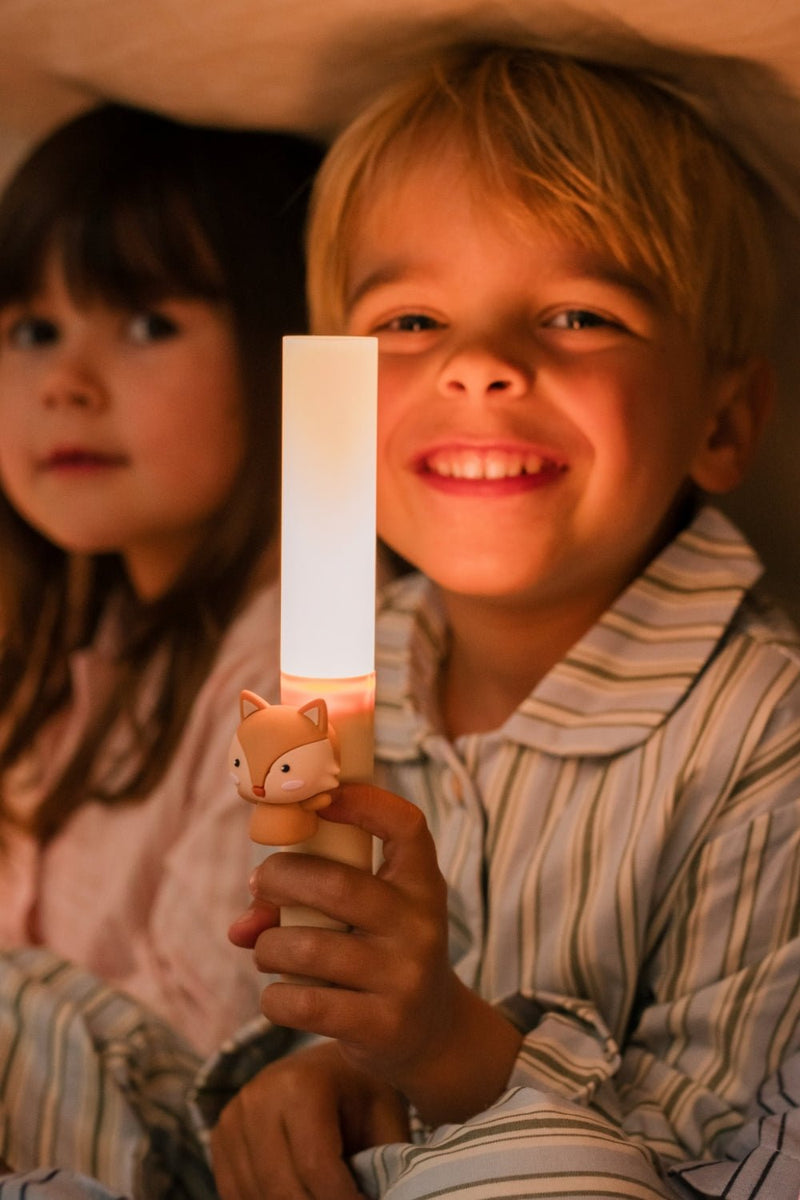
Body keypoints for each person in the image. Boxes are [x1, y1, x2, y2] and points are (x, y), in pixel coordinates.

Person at [205, 44, 800, 1200]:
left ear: (722, 423)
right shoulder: (342, 662)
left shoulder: (764, 734)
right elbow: (295, 998)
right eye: (409, 321)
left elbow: (710, 1155)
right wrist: (299, 1078)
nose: (478, 365)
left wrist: (442, 1050)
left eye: (577, 314)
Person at [0, 104, 321, 1058]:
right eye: (34, 330)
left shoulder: (297, 669)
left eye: (147, 324)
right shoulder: (78, 637)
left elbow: (196, 1046)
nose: (67, 384)